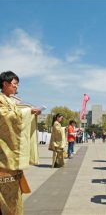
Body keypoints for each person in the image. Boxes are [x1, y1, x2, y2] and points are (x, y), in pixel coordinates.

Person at [0, 71, 41, 215]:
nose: (17, 87)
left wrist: (31, 113)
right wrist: (28, 112)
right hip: (3, 154)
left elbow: (17, 115)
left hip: (12, 154)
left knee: (15, 196)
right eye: (14, 84)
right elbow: (4, 117)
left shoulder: (11, 100)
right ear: (5, 84)